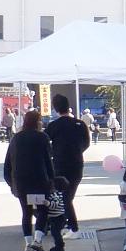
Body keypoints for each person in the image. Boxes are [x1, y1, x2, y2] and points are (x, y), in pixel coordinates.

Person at [4, 110, 59, 251]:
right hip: (39, 181)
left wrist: (11, 182)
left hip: (21, 182)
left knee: (26, 212)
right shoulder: (42, 137)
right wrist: (52, 181)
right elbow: (48, 162)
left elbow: (8, 162)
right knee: (42, 210)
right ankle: (37, 241)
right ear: (37, 122)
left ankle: (28, 244)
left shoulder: (16, 138)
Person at [46, 95, 91, 240]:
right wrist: (77, 151)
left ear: (56, 108)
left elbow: (46, 144)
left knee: (64, 197)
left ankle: (73, 227)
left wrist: (55, 153)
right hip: (77, 164)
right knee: (67, 196)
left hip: (59, 165)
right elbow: (86, 143)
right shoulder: (80, 124)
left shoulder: (54, 126)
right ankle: (67, 224)